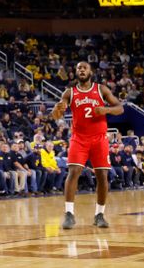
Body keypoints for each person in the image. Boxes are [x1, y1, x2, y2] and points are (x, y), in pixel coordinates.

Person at [52, 61, 124, 229]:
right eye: (78, 68)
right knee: (73, 171)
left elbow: (120, 108)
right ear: (75, 72)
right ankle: (69, 214)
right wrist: (57, 109)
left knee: (102, 176)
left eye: (84, 68)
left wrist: (106, 110)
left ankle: (99, 214)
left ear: (91, 71)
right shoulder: (69, 92)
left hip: (99, 138)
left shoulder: (101, 89)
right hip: (79, 138)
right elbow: (56, 116)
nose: (81, 70)